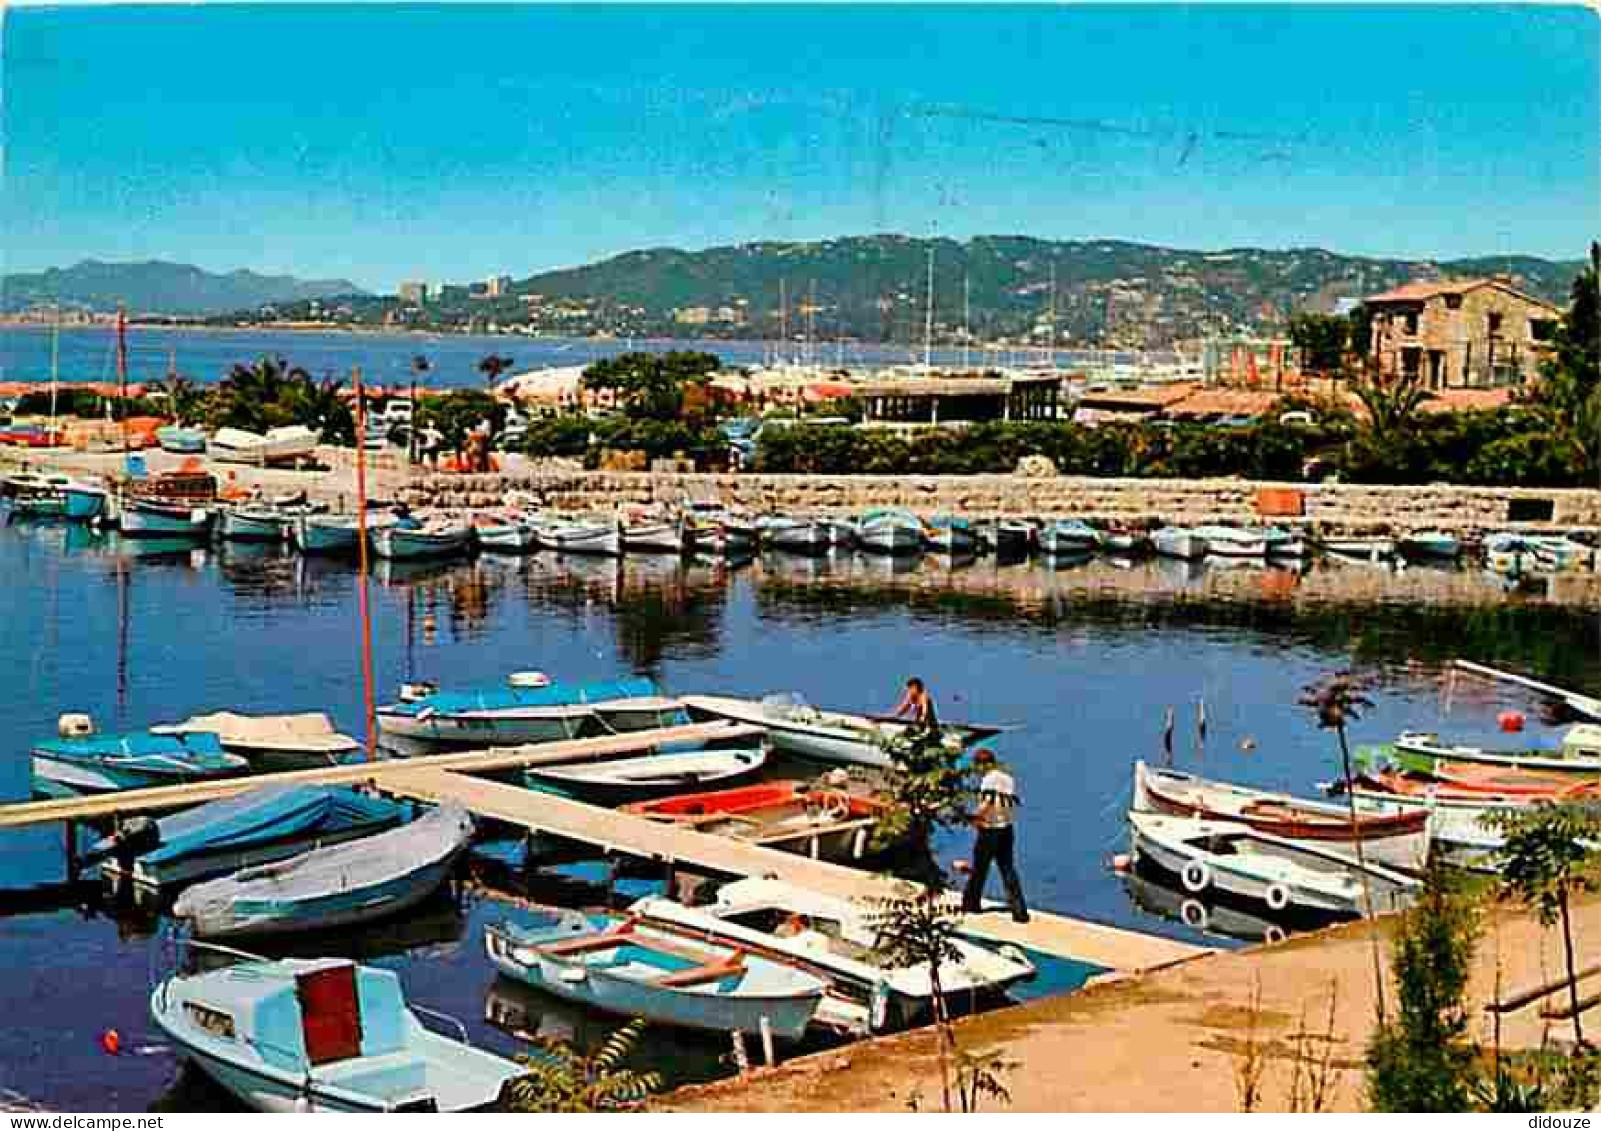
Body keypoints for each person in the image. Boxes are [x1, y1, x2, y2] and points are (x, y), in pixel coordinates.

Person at [961, 748, 1029, 924]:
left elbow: (987, 803)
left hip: (989, 829)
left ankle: (971, 904)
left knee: (979, 869)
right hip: (1006, 828)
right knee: (1007, 869)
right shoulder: (1008, 779)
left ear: (982, 764)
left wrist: (974, 818)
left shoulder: (988, 780)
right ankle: (1019, 910)